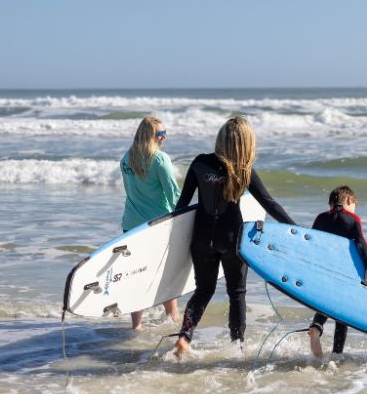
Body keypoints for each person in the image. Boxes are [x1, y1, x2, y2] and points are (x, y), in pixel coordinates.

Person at [173, 116, 296, 358]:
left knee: (203, 289)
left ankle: (184, 336)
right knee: (236, 293)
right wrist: (297, 230)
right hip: (232, 239)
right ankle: (236, 346)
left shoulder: (199, 163)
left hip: (201, 238)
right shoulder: (244, 171)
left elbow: (181, 206)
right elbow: (270, 205)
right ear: (246, 144)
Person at [120, 116, 181, 329]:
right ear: (151, 136)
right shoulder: (160, 159)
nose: (164, 138)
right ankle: (172, 317)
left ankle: (136, 325)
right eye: (161, 134)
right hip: (158, 226)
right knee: (166, 273)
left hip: (131, 225)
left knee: (137, 274)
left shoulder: (126, 159)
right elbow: (173, 195)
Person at [308, 186, 367, 358]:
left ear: (330, 203)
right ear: (348, 201)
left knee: (326, 303)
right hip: (343, 273)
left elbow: (310, 243)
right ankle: (337, 354)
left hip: (322, 271)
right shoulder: (352, 219)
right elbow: (361, 243)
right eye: (354, 204)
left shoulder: (321, 218)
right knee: (342, 313)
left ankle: (316, 328)